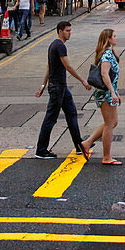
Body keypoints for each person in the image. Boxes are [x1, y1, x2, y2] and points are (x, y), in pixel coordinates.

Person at [35, 20, 92, 159]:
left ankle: (79, 146)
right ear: (60, 31)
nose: (69, 33)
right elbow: (68, 67)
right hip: (58, 88)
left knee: (72, 113)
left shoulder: (54, 45)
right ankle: (41, 150)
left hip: (60, 87)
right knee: (50, 118)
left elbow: (49, 67)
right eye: (67, 31)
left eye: (70, 30)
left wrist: (43, 86)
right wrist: (83, 81)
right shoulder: (59, 46)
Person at [80, 28, 122, 165]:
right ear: (108, 39)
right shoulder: (107, 55)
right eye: (114, 36)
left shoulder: (108, 53)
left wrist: (116, 92)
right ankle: (106, 157)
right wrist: (112, 92)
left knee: (112, 122)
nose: (116, 38)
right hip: (105, 93)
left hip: (108, 92)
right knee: (110, 124)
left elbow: (111, 77)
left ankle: (87, 143)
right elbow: (104, 74)